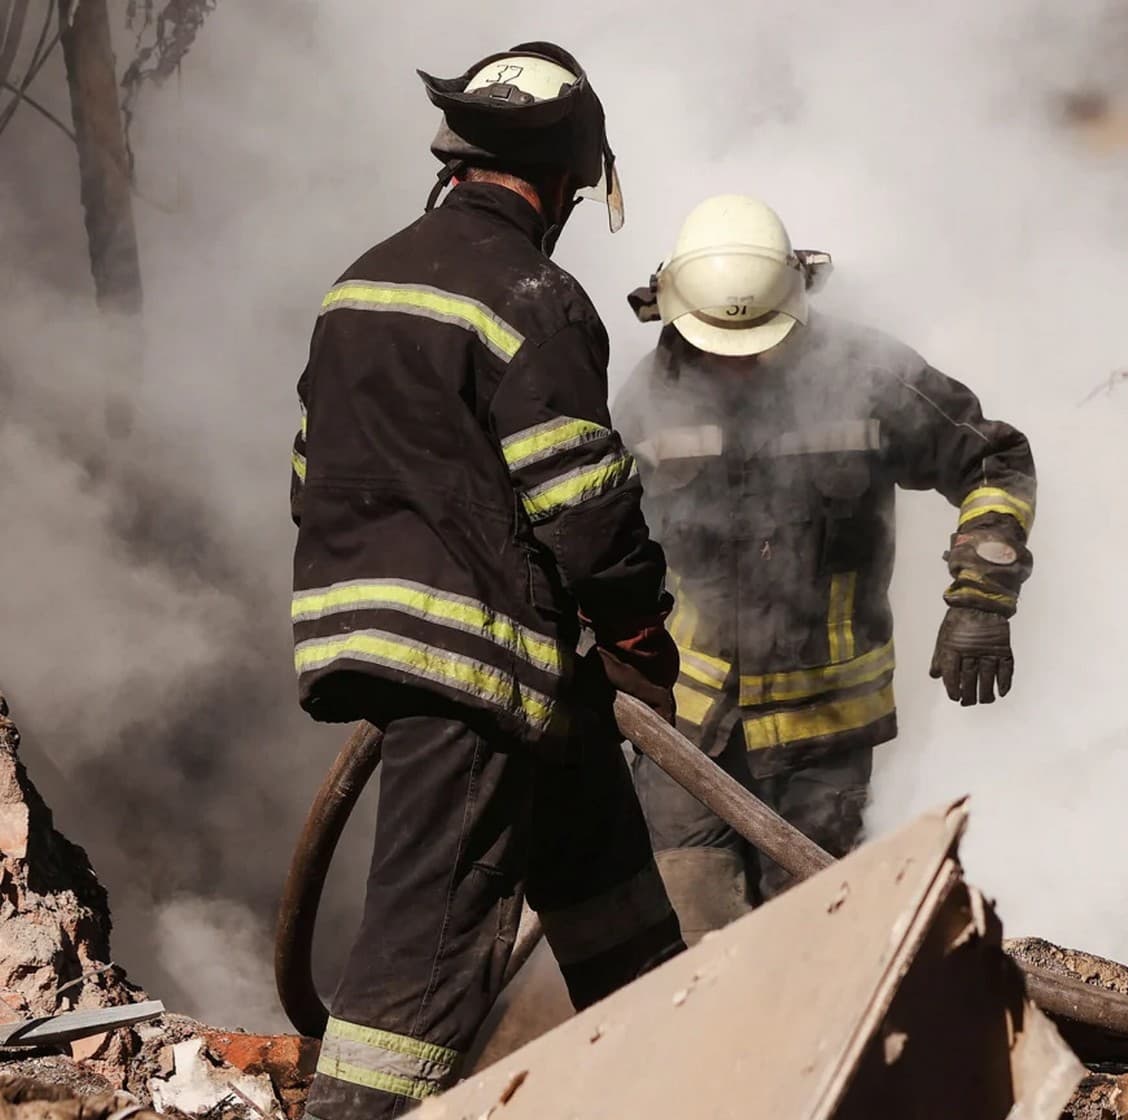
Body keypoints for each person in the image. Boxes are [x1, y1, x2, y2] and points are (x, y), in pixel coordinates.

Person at [288, 43, 683, 1119]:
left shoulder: (357, 283)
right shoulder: (535, 295)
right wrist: (642, 632)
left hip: (446, 651)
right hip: (484, 665)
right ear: (563, 178)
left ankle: (674, 1082)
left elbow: (309, 468)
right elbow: (582, 501)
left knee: (618, 914)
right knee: (425, 954)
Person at [611, 194, 1037, 944]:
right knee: (690, 950)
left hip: (824, 743)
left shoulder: (870, 376)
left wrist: (982, 597)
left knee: (812, 948)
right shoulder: (645, 401)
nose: (738, 368)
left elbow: (994, 461)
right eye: (717, 347)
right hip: (685, 737)